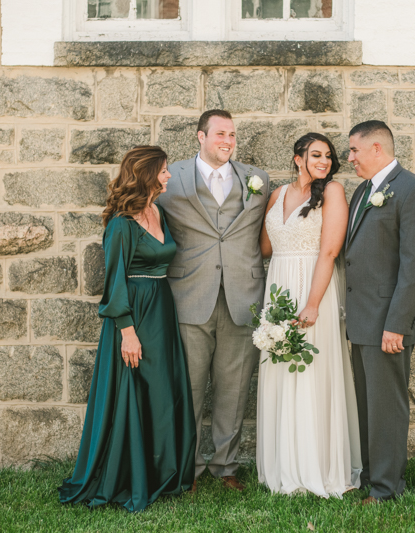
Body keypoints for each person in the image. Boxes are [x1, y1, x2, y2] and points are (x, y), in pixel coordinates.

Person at [59, 146, 196, 513]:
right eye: (164, 171)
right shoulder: (121, 223)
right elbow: (115, 280)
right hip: (133, 315)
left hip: (161, 309)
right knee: (134, 391)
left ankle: (164, 472)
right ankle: (128, 475)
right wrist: (127, 332)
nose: (169, 176)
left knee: (163, 391)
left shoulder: (158, 211)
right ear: (147, 174)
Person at [157, 110, 270, 492]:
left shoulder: (257, 180)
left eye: (233, 135)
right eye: (220, 133)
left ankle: (226, 467)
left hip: (243, 295)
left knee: (234, 387)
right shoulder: (171, 180)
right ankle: (184, 468)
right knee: (186, 387)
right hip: (190, 295)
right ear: (200, 136)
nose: (228, 140)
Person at [256, 132, 362, 497]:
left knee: (312, 372)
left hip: (314, 288)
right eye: (317, 154)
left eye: (329, 156)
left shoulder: (332, 193)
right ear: (298, 157)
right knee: (282, 373)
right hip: (279, 288)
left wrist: (313, 303)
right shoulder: (276, 195)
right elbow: (268, 247)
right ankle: (284, 465)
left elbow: (330, 251)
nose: (325, 161)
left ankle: (318, 466)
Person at [344, 121, 415, 504]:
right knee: (369, 406)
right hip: (362, 321)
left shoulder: (413, 191)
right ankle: (371, 477)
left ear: (377, 148)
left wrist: (397, 325)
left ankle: (386, 489)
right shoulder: (363, 191)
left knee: (387, 409)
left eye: (354, 150)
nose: (349, 158)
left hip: (388, 322)